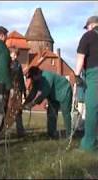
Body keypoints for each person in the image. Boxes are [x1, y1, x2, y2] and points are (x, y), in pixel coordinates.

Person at [23, 67, 72, 139]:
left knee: (66, 113)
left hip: (65, 91)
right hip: (53, 95)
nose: (32, 79)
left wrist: (32, 104)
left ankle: (69, 135)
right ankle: (51, 134)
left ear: (37, 74)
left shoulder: (47, 77)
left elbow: (44, 93)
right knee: (51, 114)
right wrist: (25, 103)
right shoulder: (36, 80)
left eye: (32, 77)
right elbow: (33, 92)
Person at [74, 16, 98, 151]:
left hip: (94, 75)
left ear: (91, 25)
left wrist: (76, 75)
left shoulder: (88, 36)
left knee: (92, 109)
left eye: (87, 26)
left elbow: (80, 57)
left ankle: (88, 145)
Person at [8, 47, 26, 137]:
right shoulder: (7, 63)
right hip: (8, 89)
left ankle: (20, 130)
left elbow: (21, 79)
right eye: (13, 54)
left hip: (16, 89)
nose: (14, 56)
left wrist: (23, 91)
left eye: (16, 55)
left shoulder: (17, 65)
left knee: (18, 111)